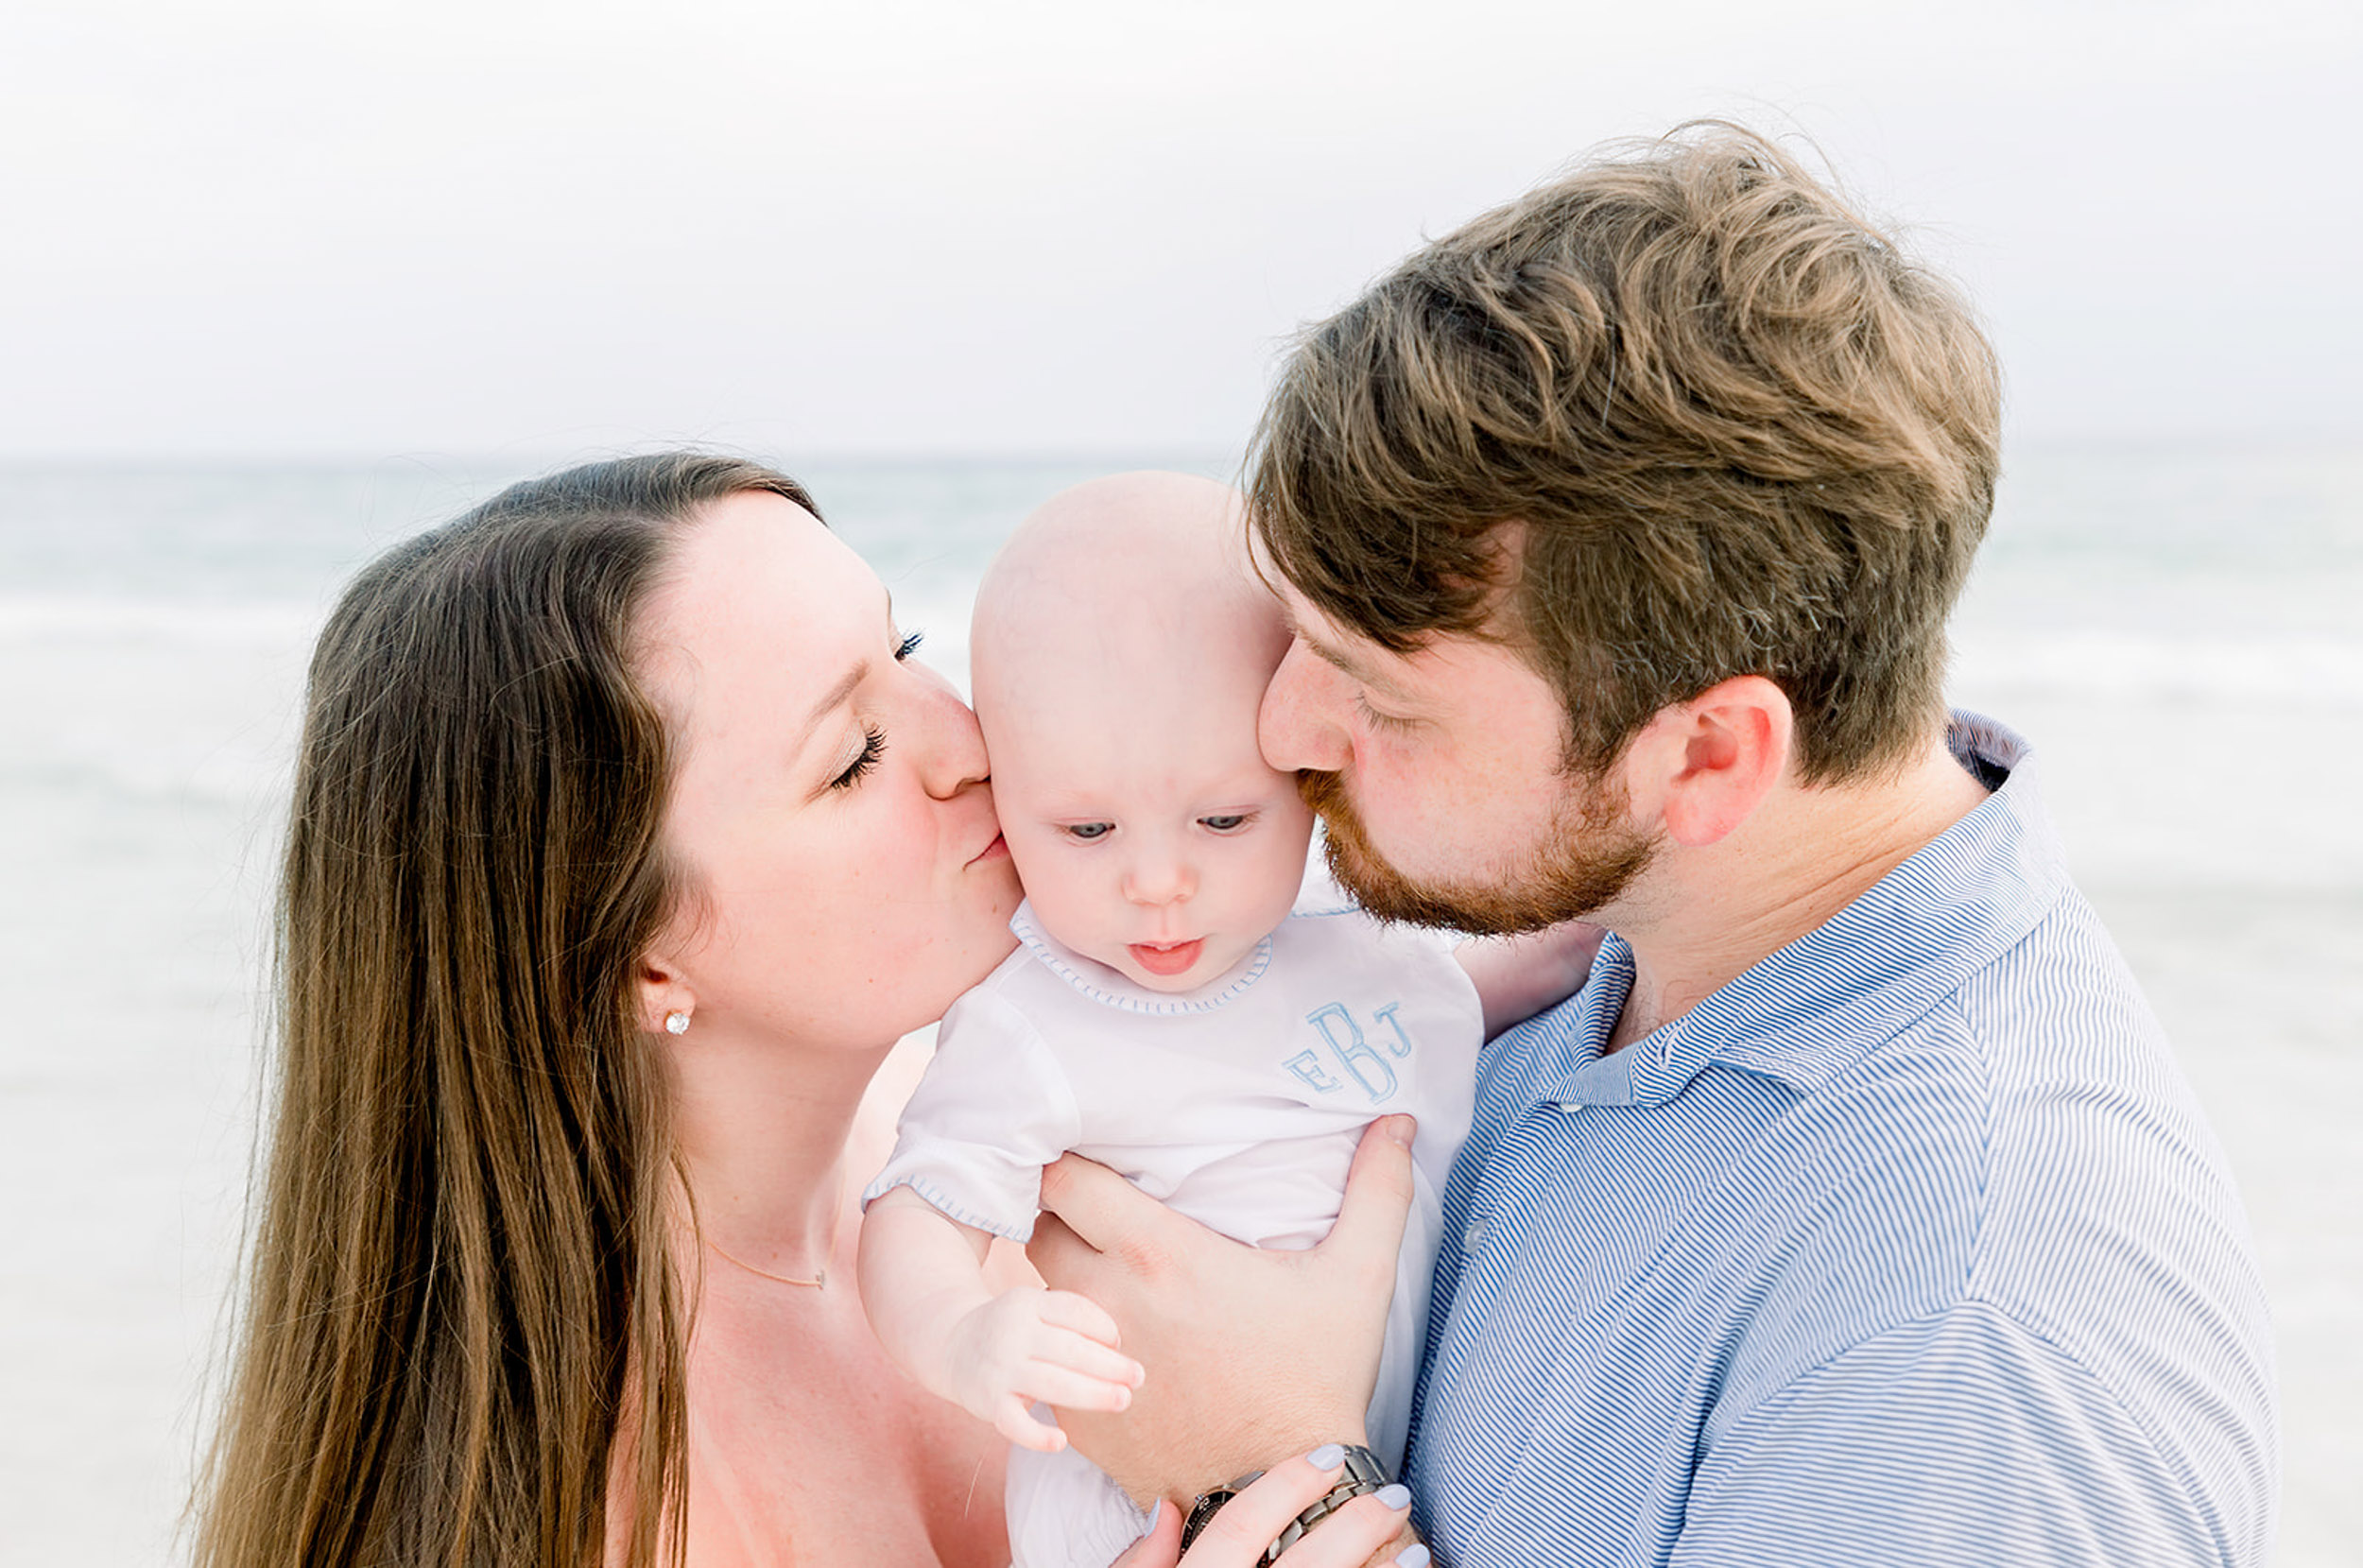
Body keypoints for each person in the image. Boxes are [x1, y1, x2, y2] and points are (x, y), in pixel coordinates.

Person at [1026, 128, 2281, 1565]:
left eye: (1373, 690)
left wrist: (1280, 1473)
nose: (1284, 725)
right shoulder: (1604, 944)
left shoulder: (1961, 1334)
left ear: (1707, 756)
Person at [191, 453, 1418, 1568]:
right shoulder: (617, 1512)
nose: (970, 741)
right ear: (635, 956)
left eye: (909, 643)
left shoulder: (998, 1122)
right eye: (850, 757)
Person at [855, 473, 1594, 1568]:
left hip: (1358, 1458)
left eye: (1221, 817)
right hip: (1141, 1505)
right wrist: (965, 1333)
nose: (1159, 881)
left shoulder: (1349, 932)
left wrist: (1572, 950)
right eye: (1086, 827)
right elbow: (915, 1210)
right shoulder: (1037, 1020)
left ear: (1305, 768)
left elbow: (1419, 1017)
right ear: (1007, 797)